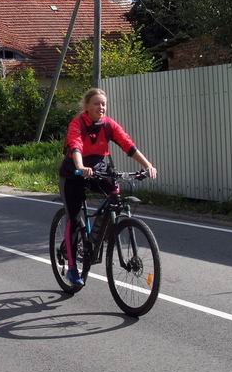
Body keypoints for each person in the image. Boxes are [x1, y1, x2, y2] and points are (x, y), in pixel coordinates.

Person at [59, 88, 158, 289]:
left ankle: (98, 235)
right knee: (74, 217)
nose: (101, 107)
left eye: (103, 104)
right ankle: (71, 267)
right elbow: (75, 145)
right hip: (74, 172)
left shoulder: (108, 125)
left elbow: (128, 145)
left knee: (115, 192)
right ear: (86, 106)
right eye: (96, 103)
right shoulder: (78, 123)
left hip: (98, 167)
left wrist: (147, 165)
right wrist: (80, 167)